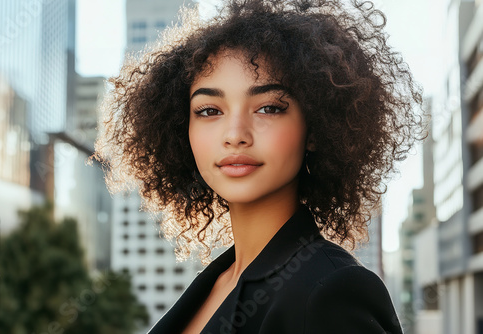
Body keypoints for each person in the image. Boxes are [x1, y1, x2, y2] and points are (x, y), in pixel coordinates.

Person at [90, 0, 427, 332]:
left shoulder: (332, 291)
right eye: (209, 110)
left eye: (268, 107)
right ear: (182, 130)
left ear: (314, 128)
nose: (235, 135)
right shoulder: (219, 278)